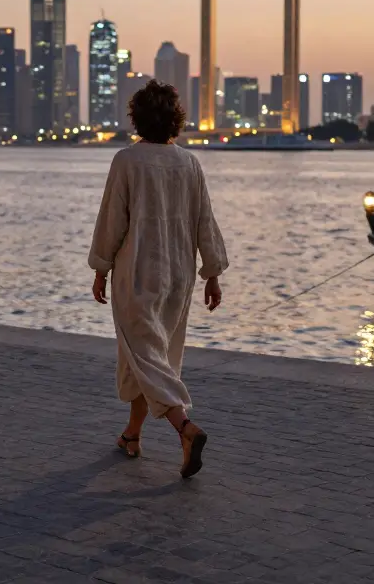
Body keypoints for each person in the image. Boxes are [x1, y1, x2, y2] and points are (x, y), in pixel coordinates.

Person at [88, 79, 229, 479]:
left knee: (146, 354)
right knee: (151, 355)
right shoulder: (189, 163)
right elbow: (206, 223)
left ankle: (185, 428)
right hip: (179, 277)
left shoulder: (127, 161)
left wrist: (100, 268)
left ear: (137, 119)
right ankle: (132, 435)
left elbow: (112, 222)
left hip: (137, 273)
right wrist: (212, 274)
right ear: (175, 120)